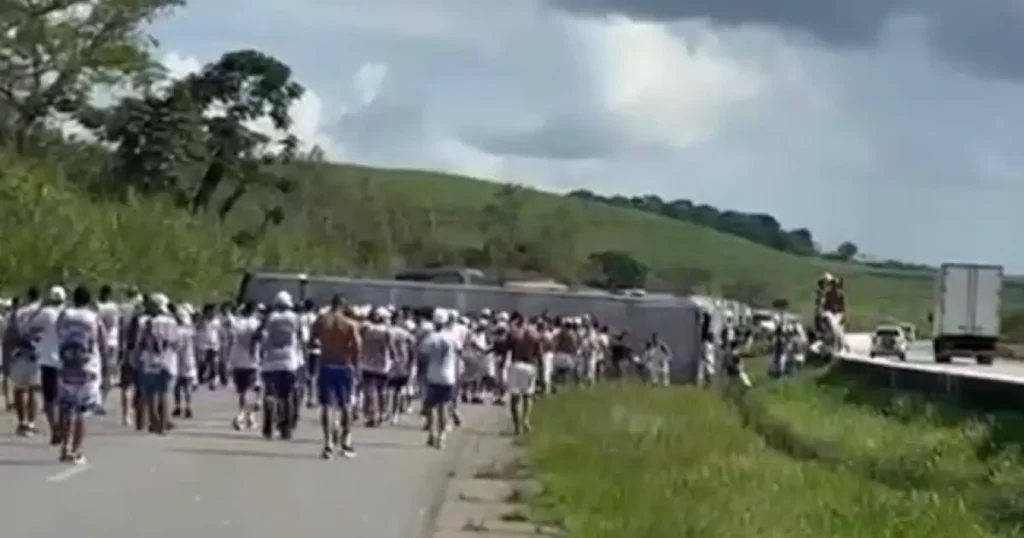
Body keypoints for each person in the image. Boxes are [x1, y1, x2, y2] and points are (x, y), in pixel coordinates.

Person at [54, 286, 106, 464]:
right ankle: (77, 450)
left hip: (66, 366)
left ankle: (65, 448)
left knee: (67, 409)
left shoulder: (64, 315)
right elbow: (102, 342)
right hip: (88, 368)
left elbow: (57, 334)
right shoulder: (94, 318)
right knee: (83, 412)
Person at [312, 294, 361, 459]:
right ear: (343, 306)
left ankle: (328, 443)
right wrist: (356, 364)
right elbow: (357, 346)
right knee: (345, 403)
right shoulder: (349, 324)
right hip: (344, 365)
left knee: (327, 405)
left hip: (326, 363)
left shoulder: (321, 320)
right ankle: (345, 440)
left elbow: (312, 340)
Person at [254, 291, 301, 440]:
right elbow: (302, 338)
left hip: (271, 359)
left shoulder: (271, 318)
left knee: (269, 394)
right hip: (289, 360)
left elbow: (261, 334)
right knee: (287, 396)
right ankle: (286, 428)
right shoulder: (295, 318)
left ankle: (268, 427)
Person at [137, 293, 178, 434]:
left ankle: (154, 421)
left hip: (150, 360)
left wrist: (137, 357)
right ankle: (164, 424)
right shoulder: (172, 322)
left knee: (151, 394)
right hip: (168, 360)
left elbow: (141, 342)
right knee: (165, 394)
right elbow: (176, 342)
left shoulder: (146, 322)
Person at [419, 308, 460, 448]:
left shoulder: (431, 338)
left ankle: (432, 434)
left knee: (430, 407)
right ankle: (442, 436)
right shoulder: (452, 337)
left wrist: (422, 373)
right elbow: (459, 351)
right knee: (444, 406)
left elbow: (423, 355)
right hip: (448, 375)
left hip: (433, 375)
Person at [506, 313, 541, 435]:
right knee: (527, 396)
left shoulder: (514, 333)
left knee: (514, 398)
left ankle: (517, 426)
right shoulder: (534, 334)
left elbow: (507, 347)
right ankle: (525, 420)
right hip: (530, 365)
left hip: (516, 364)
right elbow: (538, 353)